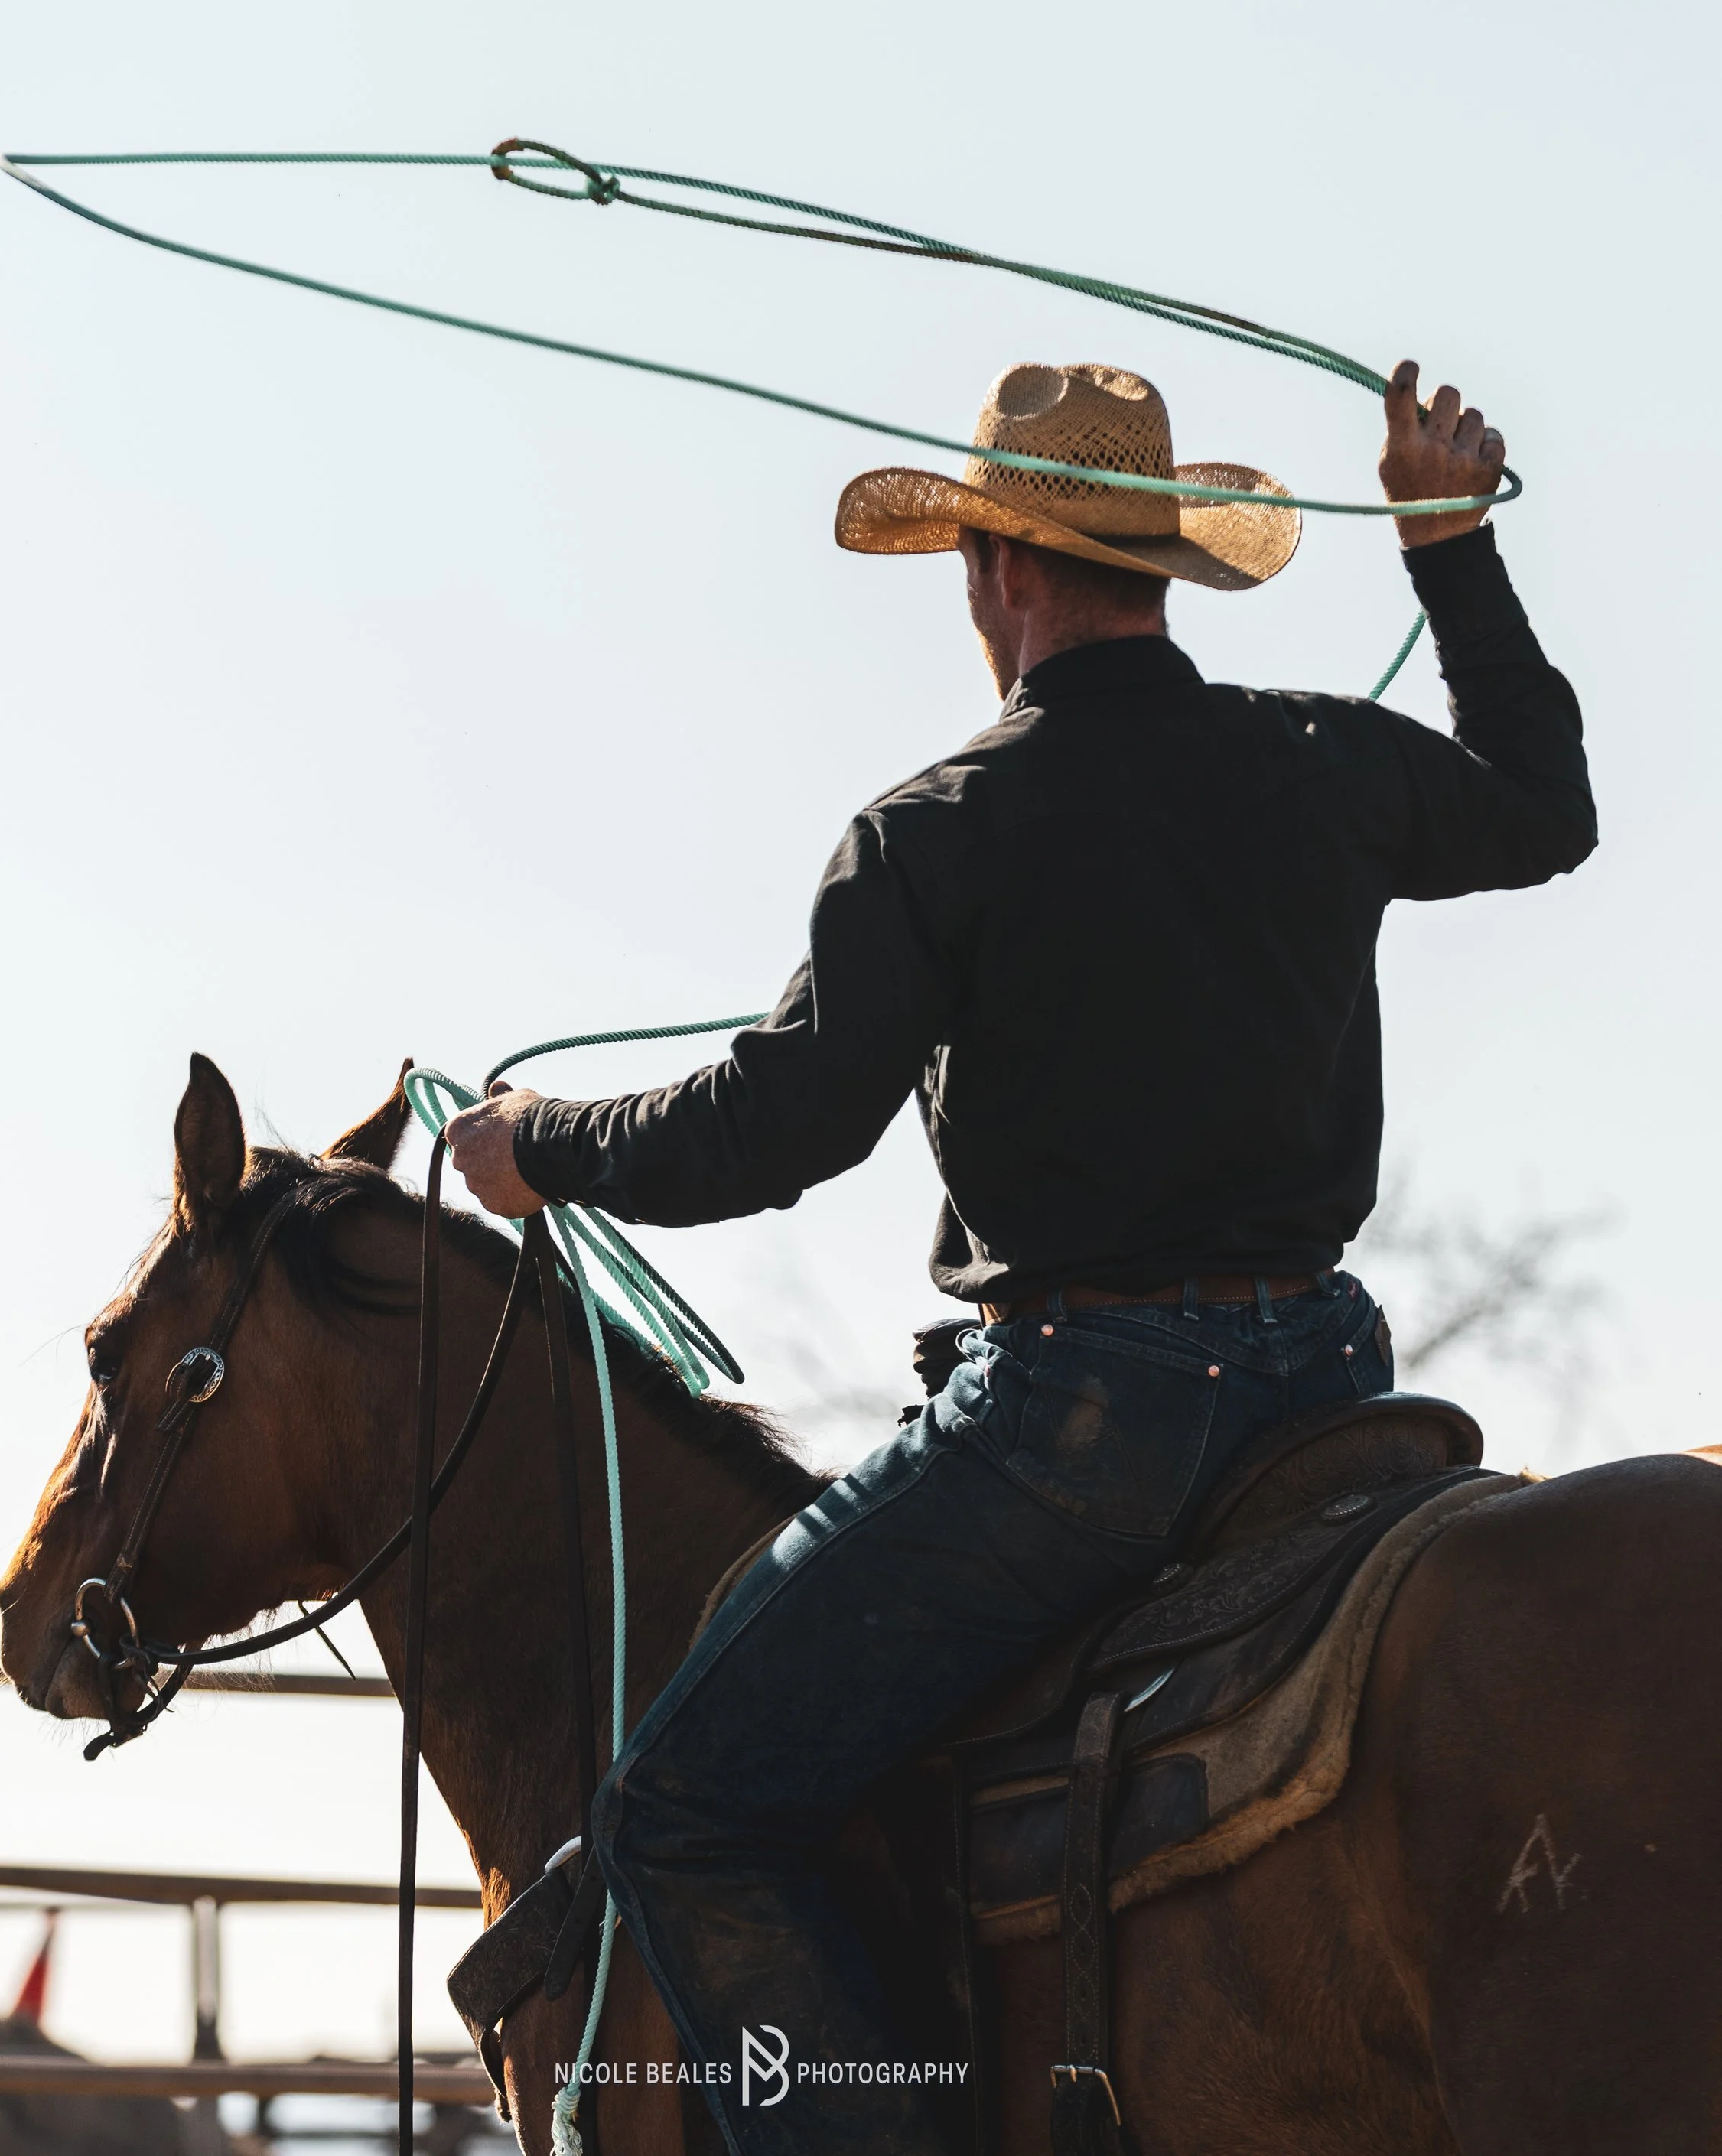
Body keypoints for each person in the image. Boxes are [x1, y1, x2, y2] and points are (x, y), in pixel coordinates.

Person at [444, 357, 1596, 2156]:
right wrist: (1446, 547)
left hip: (1077, 1423)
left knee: (681, 1806)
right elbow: (1542, 806)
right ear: (1155, 564)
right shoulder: (1314, 759)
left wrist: (540, 1150)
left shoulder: (931, 833)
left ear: (990, 570)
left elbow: (773, 1130)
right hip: (1328, 1383)